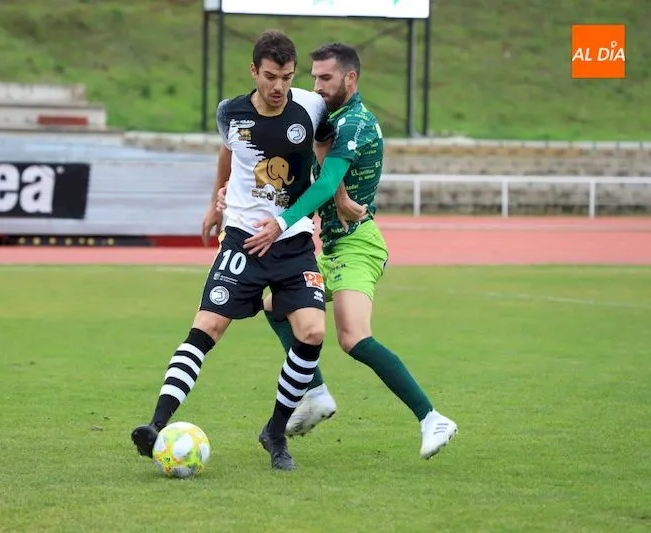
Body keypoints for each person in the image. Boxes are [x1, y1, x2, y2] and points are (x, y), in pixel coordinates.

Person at [218, 43, 458, 460]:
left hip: (356, 243)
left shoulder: (355, 122)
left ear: (351, 78)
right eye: (313, 77)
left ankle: (431, 418)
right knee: (276, 307)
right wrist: (231, 193)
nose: (317, 86)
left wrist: (281, 223)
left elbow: (326, 182)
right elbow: (312, 173)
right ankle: (314, 393)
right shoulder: (329, 120)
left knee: (353, 337)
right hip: (330, 245)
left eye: (325, 78)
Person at [130, 30, 335, 471]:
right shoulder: (231, 112)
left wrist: (326, 192)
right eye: (270, 76)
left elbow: (326, 148)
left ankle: (275, 432)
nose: (278, 86)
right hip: (243, 238)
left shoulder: (311, 107)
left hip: (293, 240)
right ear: (253, 71)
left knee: (313, 332)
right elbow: (227, 153)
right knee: (207, 326)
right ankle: (155, 425)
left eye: (287, 77)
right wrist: (214, 202)